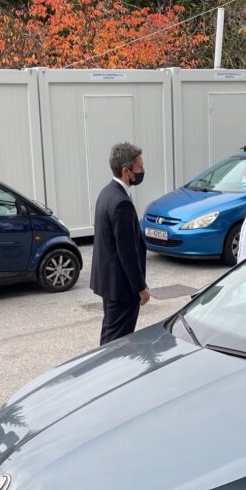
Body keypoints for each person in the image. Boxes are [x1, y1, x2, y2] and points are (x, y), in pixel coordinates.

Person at [90, 143, 150, 345]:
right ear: (126, 171)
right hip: (122, 288)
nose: (142, 171)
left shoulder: (106, 193)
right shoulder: (121, 202)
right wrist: (140, 287)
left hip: (110, 283)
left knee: (110, 336)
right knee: (116, 344)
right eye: (139, 167)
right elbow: (127, 252)